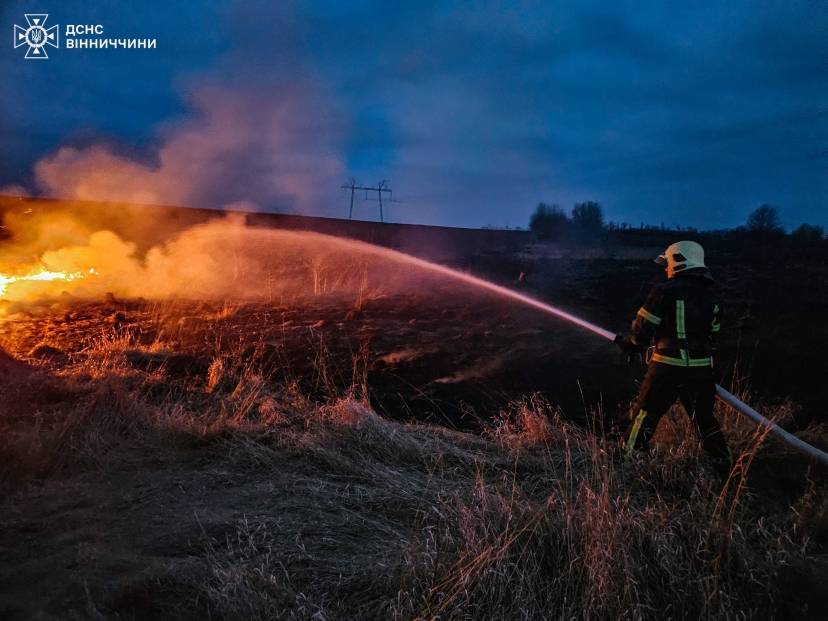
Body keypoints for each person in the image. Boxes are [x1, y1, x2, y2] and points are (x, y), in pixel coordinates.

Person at [614, 240, 731, 472]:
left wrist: (630, 344)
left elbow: (643, 328)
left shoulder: (663, 291)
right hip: (701, 368)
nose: (666, 269)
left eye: (667, 264)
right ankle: (722, 461)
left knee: (645, 413)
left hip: (668, 366)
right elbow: (714, 332)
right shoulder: (711, 296)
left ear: (679, 262)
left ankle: (629, 458)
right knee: (704, 418)